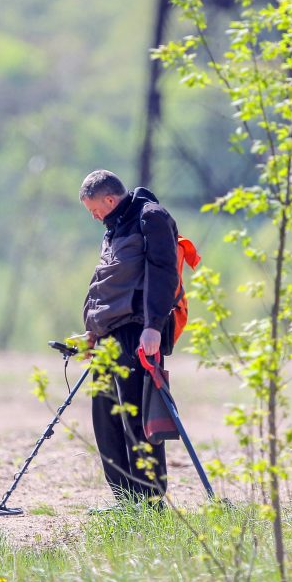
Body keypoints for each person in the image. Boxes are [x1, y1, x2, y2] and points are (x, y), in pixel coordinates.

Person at [79, 169, 180, 506]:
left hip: (137, 332)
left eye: (94, 210)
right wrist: (93, 331)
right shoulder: (114, 228)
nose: (93, 218)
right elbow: (106, 283)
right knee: (106, 419)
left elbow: (164, 273)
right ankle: (126, 502)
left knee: (138, 418)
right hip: (109, 336)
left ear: (110, 199)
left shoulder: (150, 218)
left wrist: (153, 326)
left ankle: (150, 502)